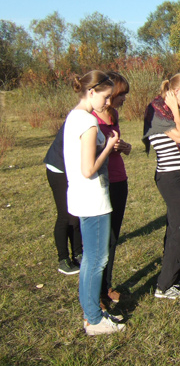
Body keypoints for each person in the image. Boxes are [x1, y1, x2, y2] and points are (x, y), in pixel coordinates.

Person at [63, 70, 125, 335]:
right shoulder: (88, 122)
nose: (108, 102)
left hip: (81, 197)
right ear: (91, 92)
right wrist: (109, 147)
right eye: (106, 96)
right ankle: (94, 318)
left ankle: (91, 314)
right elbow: (88, 169)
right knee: (96, 259)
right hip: (93, 200)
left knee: (90, 258)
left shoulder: (73, 117)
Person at [142, 73, 180, 300]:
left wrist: (176, 108)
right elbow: (179, 136)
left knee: (175, 227)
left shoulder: (165, 112)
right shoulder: (158, 111)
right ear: (176, 92)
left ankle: (174, 278)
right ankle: (164, 286)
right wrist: (175, 108)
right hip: (171, 177)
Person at [92, 71, 131, 309]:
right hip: (100, 181)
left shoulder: (113, 114)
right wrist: (107, 147)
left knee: (113, 237)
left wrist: (123, 146)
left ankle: (106, 286)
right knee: (101, 240)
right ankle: (95, 292)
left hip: (119, 178)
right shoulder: (90, 117)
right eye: (122, 94)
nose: (124, 98)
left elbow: (115, 144)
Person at [44, 123, 82, 275]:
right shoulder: (80, 118)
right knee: (65, 214)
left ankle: (78, 253)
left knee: (77, 212)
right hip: (59, 169)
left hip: (73, 169)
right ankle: (63, 259)